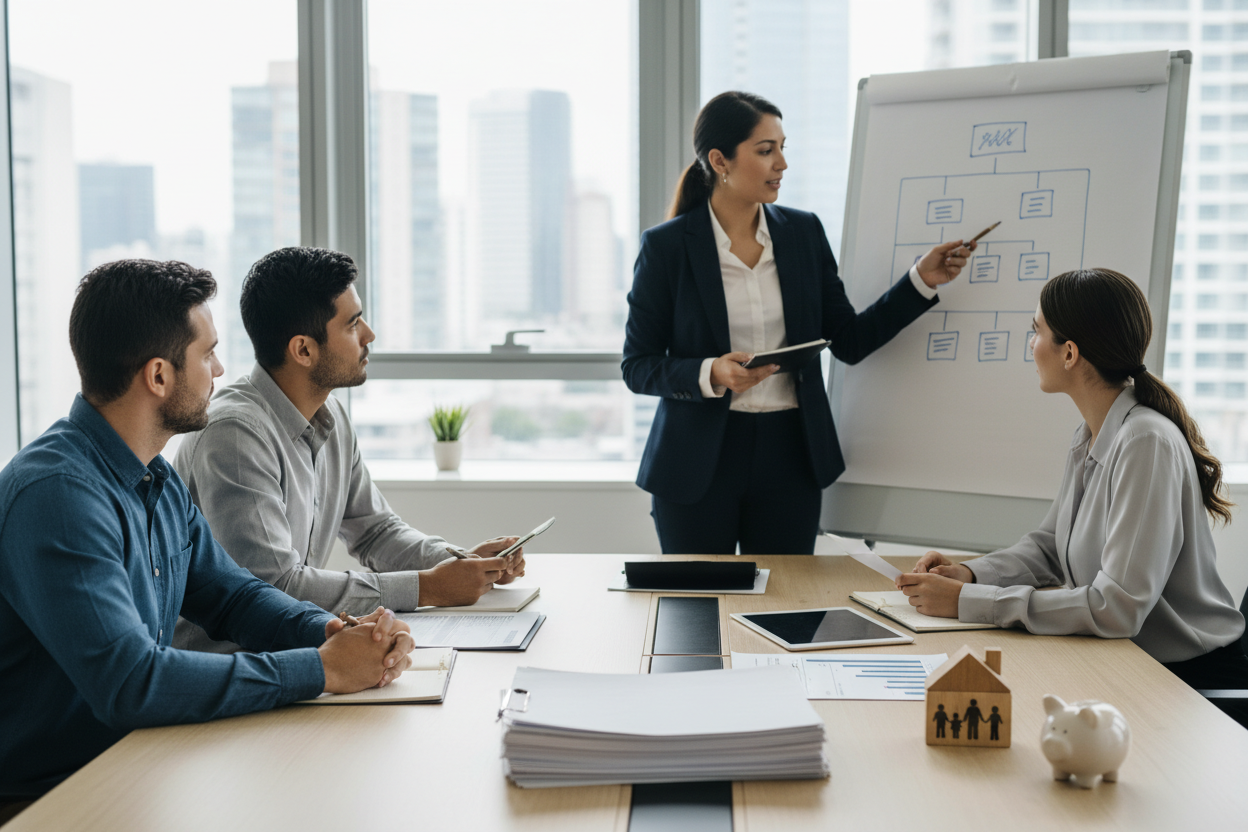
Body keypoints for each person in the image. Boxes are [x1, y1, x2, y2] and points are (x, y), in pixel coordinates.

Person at [0, 260, 416, 812]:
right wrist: (321, 668)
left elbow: (235, 597)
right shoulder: (56, 496)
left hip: (142, 762)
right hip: (53, 797)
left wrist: (335, 631)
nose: (219, 369)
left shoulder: (156, 477)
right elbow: (131, 683)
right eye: (207, 353)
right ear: (158, 376)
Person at [621, 91, 975, 554]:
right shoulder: (667, 247)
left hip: (790, 454)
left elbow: (847, 340)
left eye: (783, 148)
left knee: (784, 613)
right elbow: (638, 365)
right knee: (699, 613)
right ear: (719, 160)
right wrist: (712, 372)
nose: (782, 163)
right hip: (697, 463)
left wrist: (919, 281)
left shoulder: (802, 233)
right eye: (766, 150)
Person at [897, 268, 1248, 723]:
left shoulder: (1145, 441)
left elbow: (1116, 608)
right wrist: (968, 575)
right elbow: (1048, 548)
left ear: (1069, 352)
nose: (1030, 344)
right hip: (1127, 664)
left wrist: (968, 604)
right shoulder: (1092, 433)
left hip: (1185, 681)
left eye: (1036, 331)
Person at [173, 246, 525, 654]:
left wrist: (461, 564)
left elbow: (376, 532)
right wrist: (429, 586)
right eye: (353, 323)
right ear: (303, 350)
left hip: (295, 654)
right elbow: (276, 586)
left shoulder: (330, 415)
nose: (369, 335)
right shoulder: (234, 434)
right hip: (232, 670)